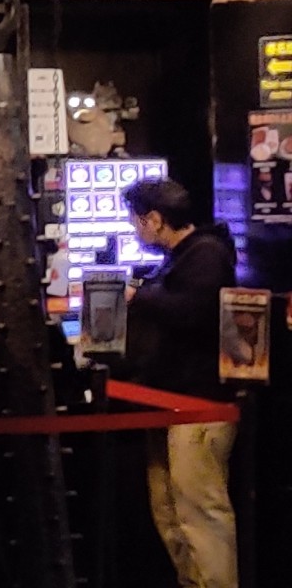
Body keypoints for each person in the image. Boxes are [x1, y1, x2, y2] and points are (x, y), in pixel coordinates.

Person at [122, 177, 238, 588]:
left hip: (198, 406)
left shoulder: (205, 255)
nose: (136, 231)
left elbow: (197, 312)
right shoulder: (184, 257)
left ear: (155, 219)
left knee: (200, 515)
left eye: (137, 221)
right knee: (171, 512)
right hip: (170, 404)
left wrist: (142, 299)